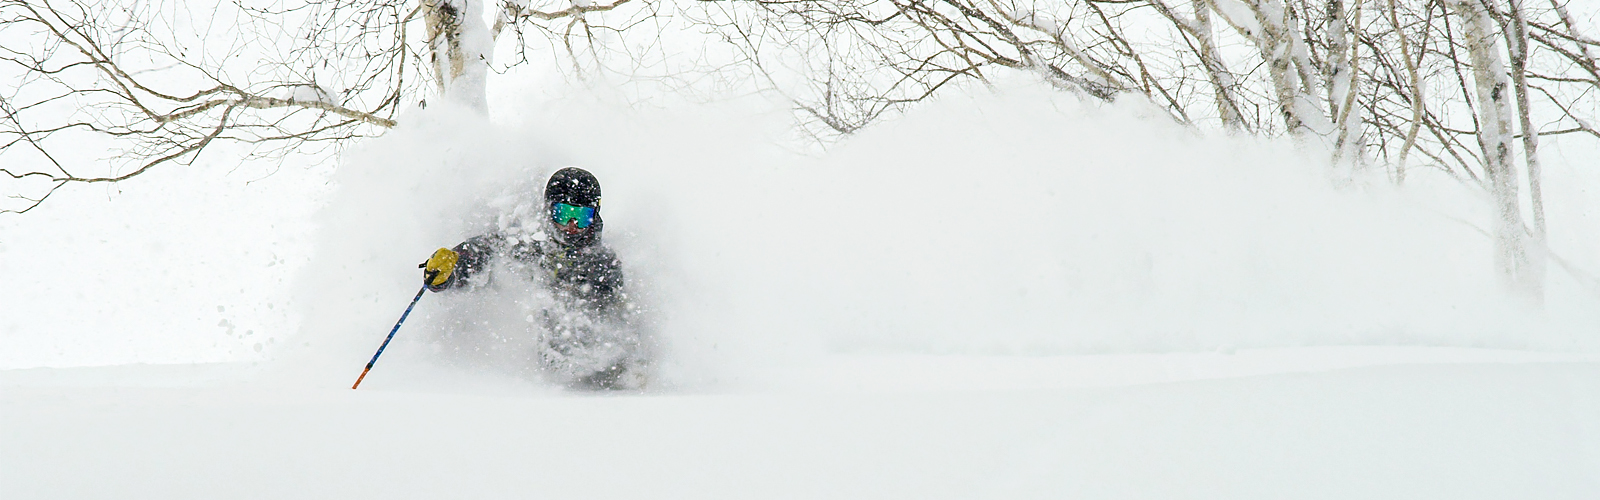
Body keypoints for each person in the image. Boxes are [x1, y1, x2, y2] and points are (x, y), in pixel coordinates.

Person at [419, 167, 646, 390]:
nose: (572, 225)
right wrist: (447, 273)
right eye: (564, 214)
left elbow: (619, 319)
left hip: (586, 374)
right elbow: (482, 252)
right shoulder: (528, 243)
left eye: (582, 216)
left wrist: (620, 364)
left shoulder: (602, 262)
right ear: (549, 211)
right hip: (521, 372)